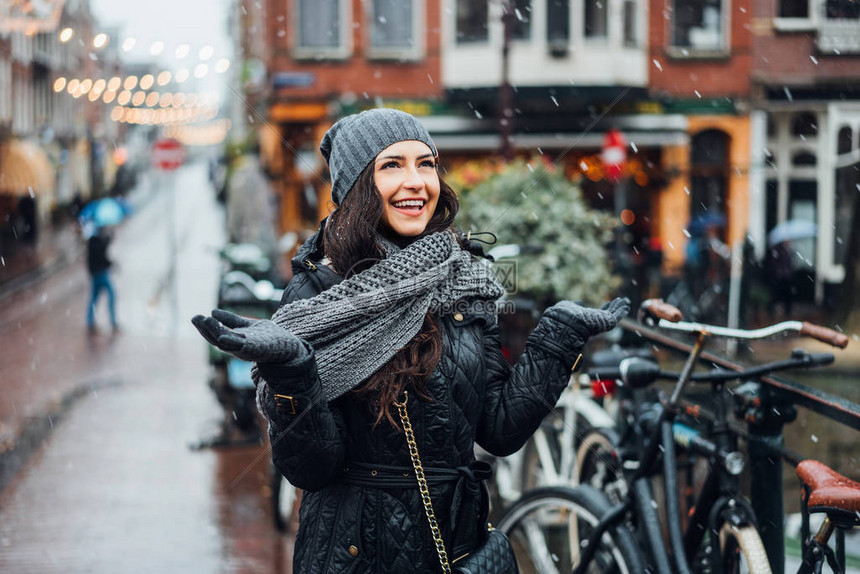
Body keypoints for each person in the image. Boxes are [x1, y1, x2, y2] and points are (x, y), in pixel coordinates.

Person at [192, 108, 629, 574]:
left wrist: (559, 336)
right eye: (392, 165)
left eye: (426, 163)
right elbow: (312, 469)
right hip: (357, 554)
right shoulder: (318, 292)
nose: (417, 181)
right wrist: (293, 375)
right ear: (358, 187)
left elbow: (499, 429)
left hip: (456, 546)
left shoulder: (466, 278)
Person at [86, 227, 117, 332]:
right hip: (101, 273)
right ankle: (113, 321)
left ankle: (90, 321)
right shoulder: (96, 242)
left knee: (94, 298)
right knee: (112, 294)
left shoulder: (94, 241)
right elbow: (102, 256)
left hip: (96, 273)